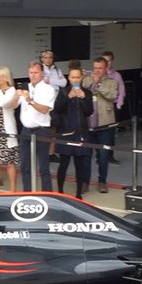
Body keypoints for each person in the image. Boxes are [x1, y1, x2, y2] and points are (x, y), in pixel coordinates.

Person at [52, 67, 94, 198]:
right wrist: (68, 97)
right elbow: (58, 109)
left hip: (80, 132)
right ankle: (60, 191)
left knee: (79, 164)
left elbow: (89, 112)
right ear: (69, 78)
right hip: (66, 132)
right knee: (63, 163)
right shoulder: (63, 92)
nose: (75, 80)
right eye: (73, 77)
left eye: (77, 77)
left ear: (81, 78)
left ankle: (78, 192)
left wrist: (83, 98)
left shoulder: (86, 92)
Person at [17, 61, 58, 191]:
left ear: (42, 73)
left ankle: (47, 195)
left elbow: (45, 109)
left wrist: (29, 101)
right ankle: (27, 194)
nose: (33, 75)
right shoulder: (25, 88)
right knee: (24, 166)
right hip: (25, 130)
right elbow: (13, 104)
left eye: (36, 72)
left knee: (44, 166)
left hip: (41, 130)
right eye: (31, 72)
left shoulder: (48, 89)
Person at [89, 58, 120, 195]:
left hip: (105, 124)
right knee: (86, 155)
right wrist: (92, 82)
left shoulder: (113, 82)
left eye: (100, 68)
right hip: (89, 123)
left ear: (106, 68)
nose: (96, 71)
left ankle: (102, 182)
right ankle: (84, 182)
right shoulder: (86, 80)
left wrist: (99, 84)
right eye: (95, 68)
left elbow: (112, 96)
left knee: (103, 155)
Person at [101, 52, 127, 165]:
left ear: (112, 61)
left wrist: (119, 105)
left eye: (109, 60)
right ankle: (100, 157)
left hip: (113, 107)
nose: (107, 63)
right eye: (104, 61)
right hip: (101, 107)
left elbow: (122, 91)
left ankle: (109, 156)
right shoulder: (99, 74)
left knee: (111, 134)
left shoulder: (117, 76)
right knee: (100, 133)